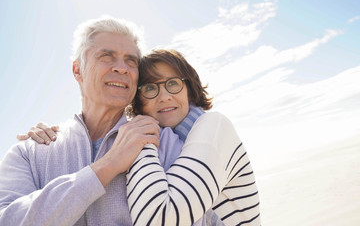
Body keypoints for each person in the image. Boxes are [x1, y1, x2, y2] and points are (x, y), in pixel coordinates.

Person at [21, 49, 261, 225]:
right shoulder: (170, 142)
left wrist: (142, 137)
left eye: (173, 84)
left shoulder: (213, 125)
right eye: (150, 88)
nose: (164, 96)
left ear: (190, 87)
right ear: (137, 101)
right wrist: (54, 136)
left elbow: (160, 217)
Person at [0, 16, 161, 225]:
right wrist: (108, 165)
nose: (122, 68)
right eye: (107, 56)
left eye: (131, 61)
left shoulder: (159, 140)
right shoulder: (28, 152)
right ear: (77, 70)